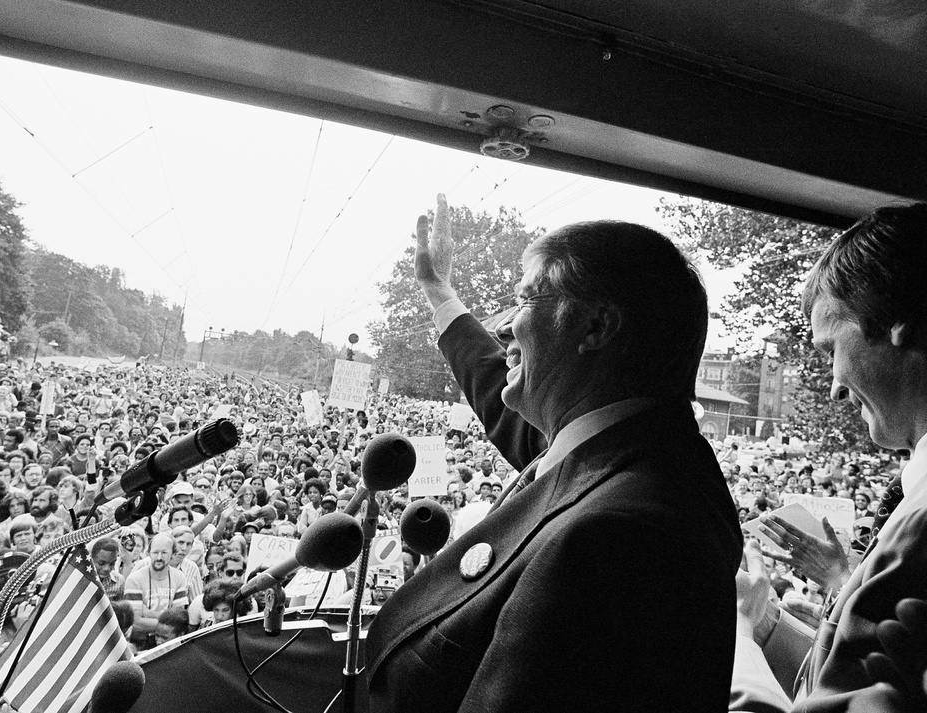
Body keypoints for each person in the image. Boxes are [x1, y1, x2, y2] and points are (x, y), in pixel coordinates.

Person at [366, 195, 742, 712]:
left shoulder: (620, 535)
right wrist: (439, 293)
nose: (504, 328)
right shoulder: (617, 452)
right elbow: (499, 386)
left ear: (595, 328)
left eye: (524, 301)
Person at [732, 203, 927, 712]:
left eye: (829, 350)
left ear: (899, 326)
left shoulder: (921, 522)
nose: (836, 387)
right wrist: (772, 623)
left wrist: (736, 636)